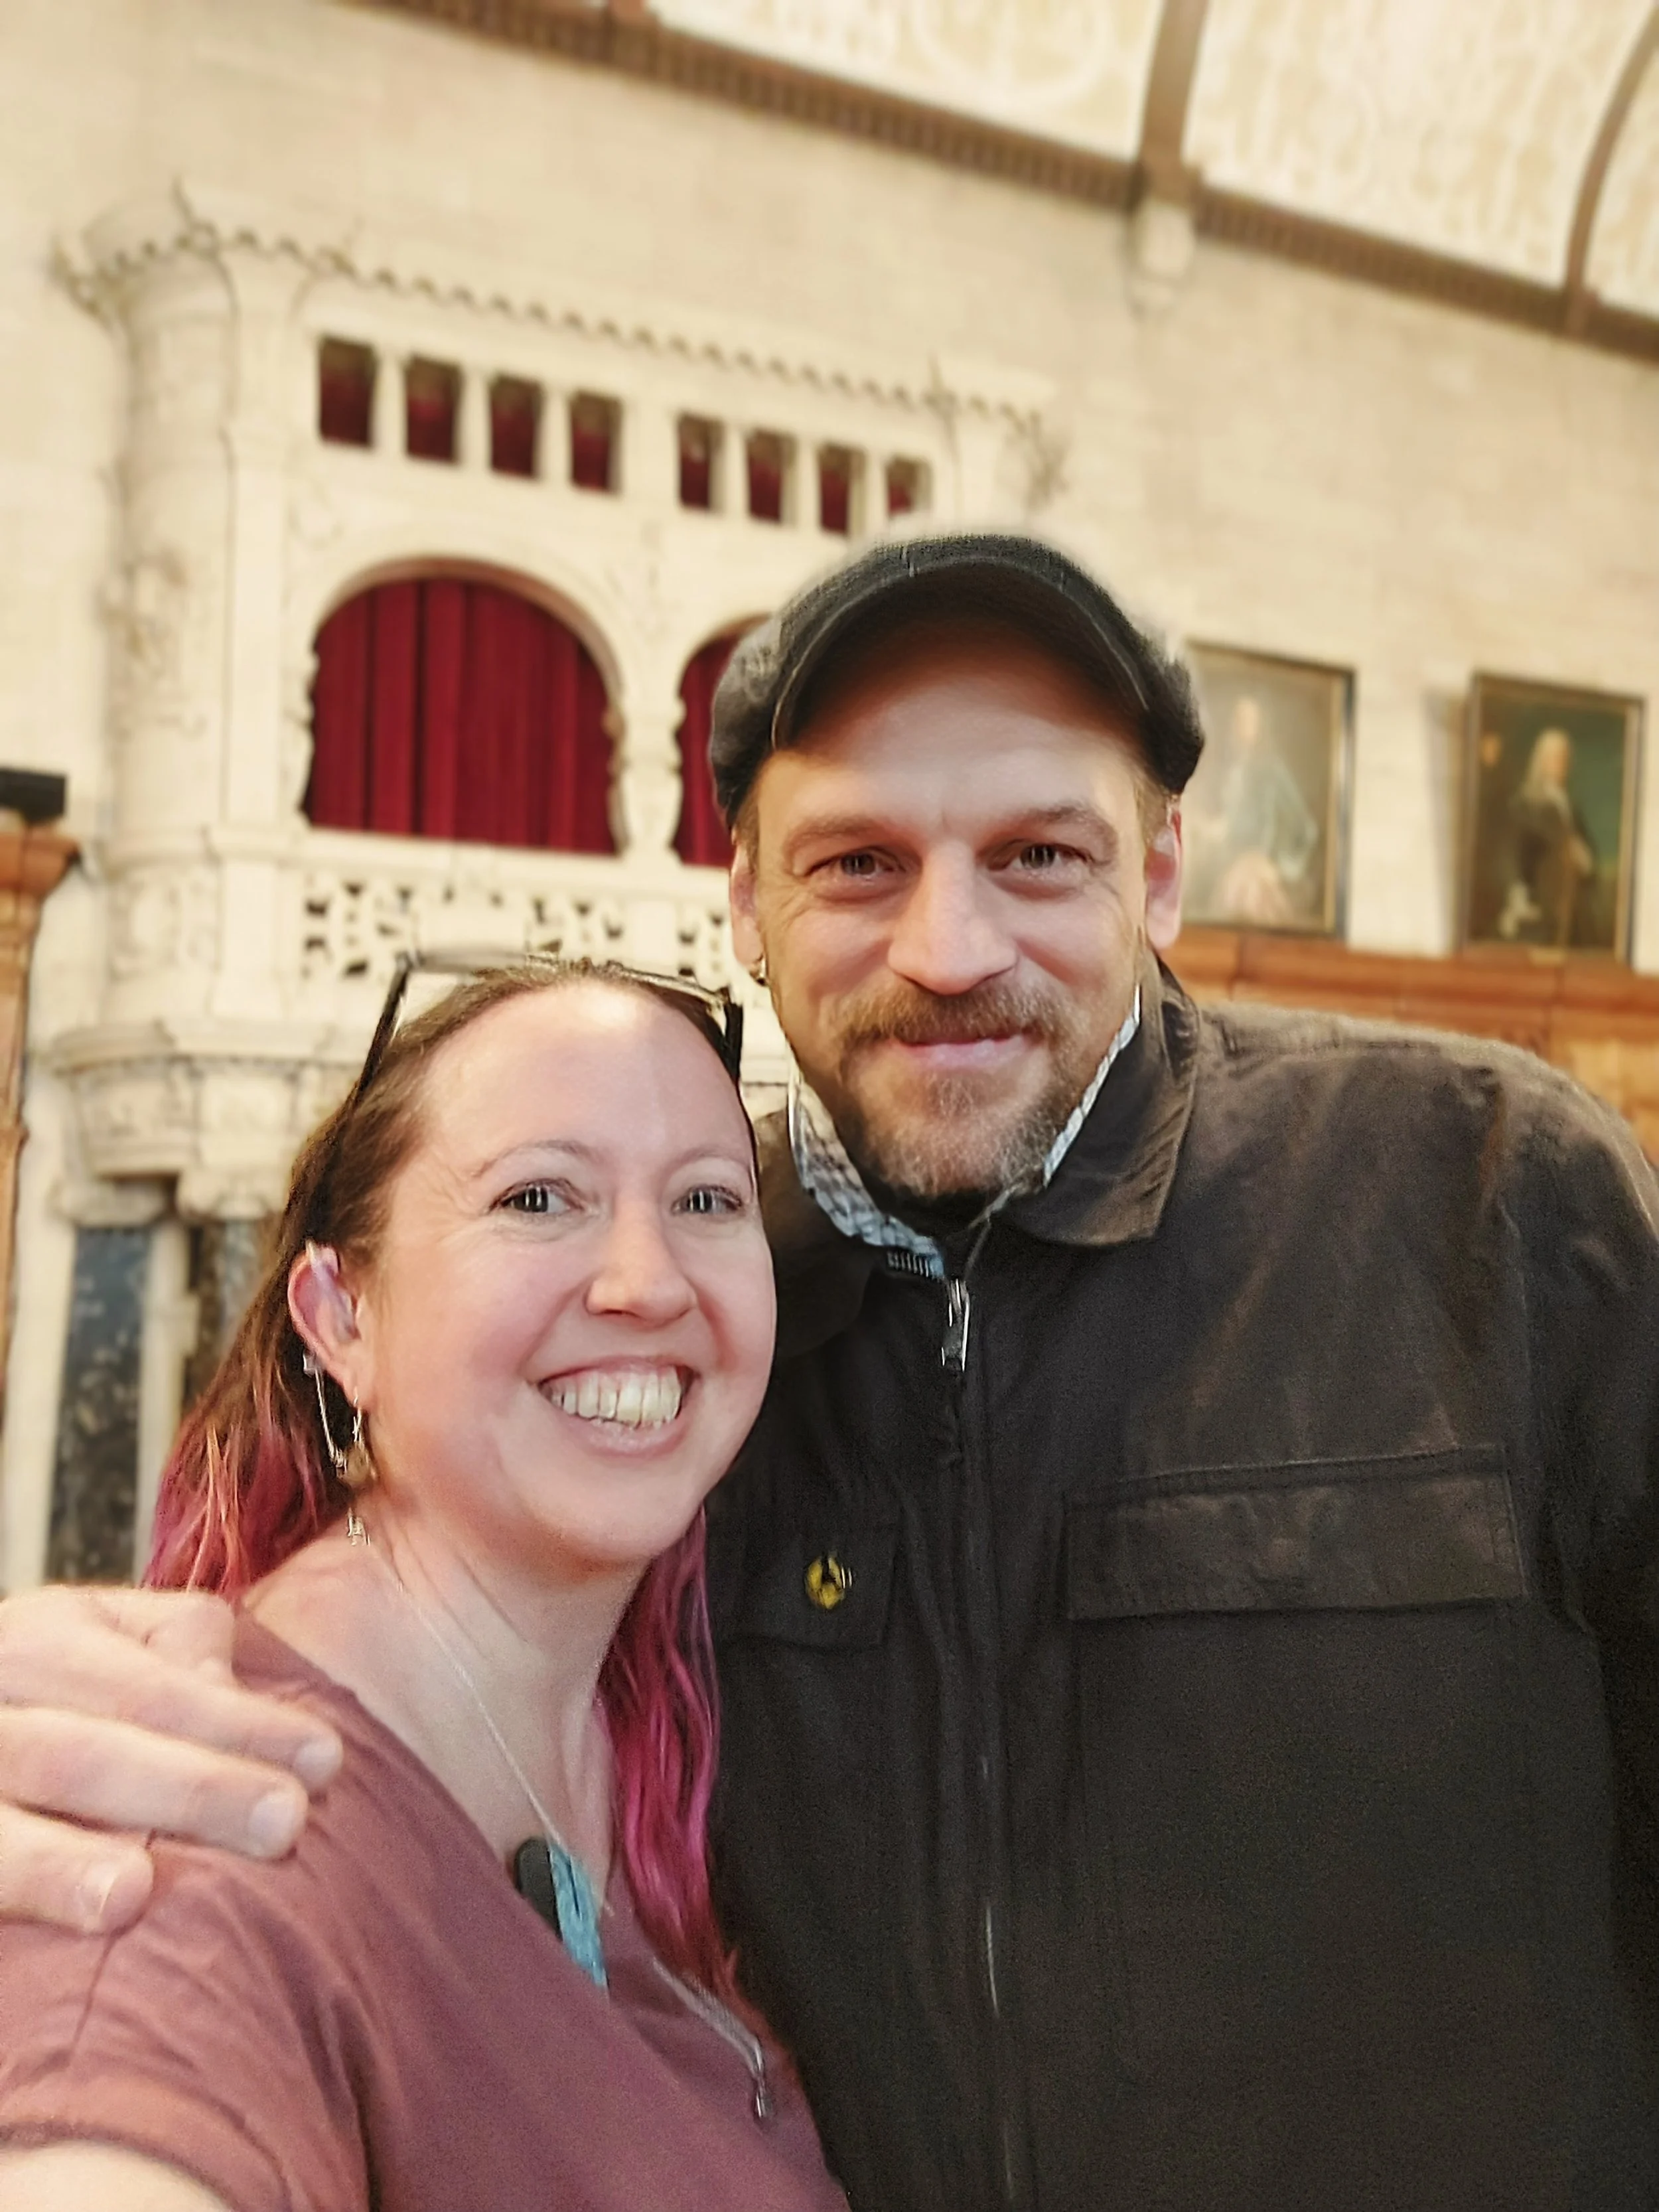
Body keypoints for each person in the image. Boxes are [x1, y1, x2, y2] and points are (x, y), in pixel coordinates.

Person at [0, 532, 1656, 2211]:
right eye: (859, 863)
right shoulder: (703, 1330)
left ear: (1159, 873)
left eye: (1035, 853)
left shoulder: (1495, 1198)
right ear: (745, 905)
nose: (948, 947)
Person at [0, 960, 844, 2212]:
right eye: (540, 1195)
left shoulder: (669, 1717)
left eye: (707, 1199)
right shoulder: (200, 1824)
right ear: (341, 1315)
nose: (648, 1280)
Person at [1498, 725, 1599, 948]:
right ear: (1541, 761)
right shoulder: (1525, 804)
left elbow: (1589, 861)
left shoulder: (1571, 807)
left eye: (1564, 757)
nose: (1561, 762)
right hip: (1540, 910)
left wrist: (1585, 860)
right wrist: (1518, 898)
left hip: (1572, 914)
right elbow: (1514, 856)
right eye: (1554, 757)